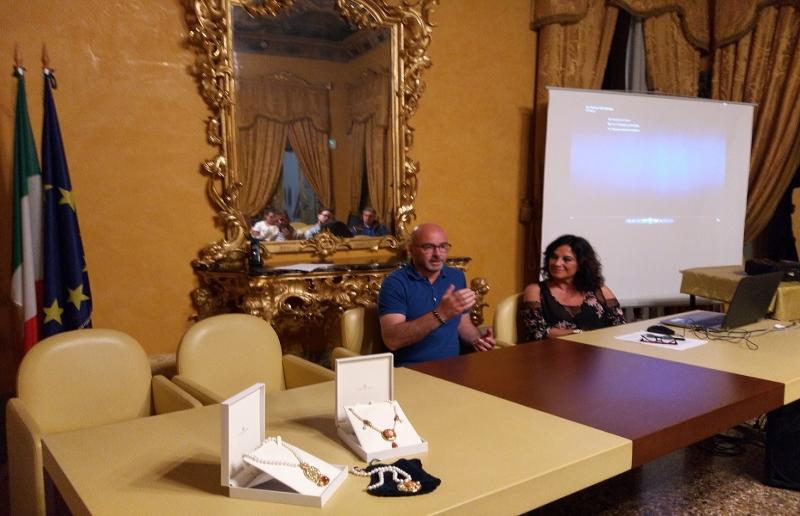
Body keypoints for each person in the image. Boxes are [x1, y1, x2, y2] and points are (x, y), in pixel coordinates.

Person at [378, 223, 495, 366]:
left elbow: (462, 324)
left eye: (443, 247)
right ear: (411, 250)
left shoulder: (456, 277)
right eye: (428, 247)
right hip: (411, 370)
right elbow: (392, 340)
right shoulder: (395, 283)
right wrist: (441, 314)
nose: (437, 254)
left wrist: (479, 340)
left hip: (453, 367)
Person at [518, 234, 625, 341]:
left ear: (581, 264)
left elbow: (620, 327)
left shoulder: (600, 291)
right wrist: (578, 334)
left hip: (599, 349)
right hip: (552, 351)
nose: (557, 263)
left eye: (567, 259)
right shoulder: (535, 290)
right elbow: (537, 332)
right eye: (554, 257)